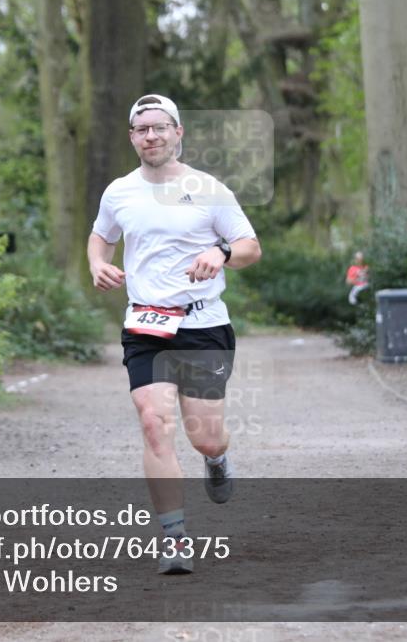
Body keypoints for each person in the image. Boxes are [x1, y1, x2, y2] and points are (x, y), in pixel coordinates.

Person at [87, 95, 262, 575]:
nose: (151, 136)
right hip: (145, 325)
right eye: (142, 129)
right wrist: (97, 263)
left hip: (203, 325)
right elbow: (102, 235)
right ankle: (175, 538)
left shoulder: (208, 189)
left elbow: (250, 246)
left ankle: (217, 458)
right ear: (132, 137)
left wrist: (222, 253)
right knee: (153, 422)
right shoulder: (119, 192)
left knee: (205, 437)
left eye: (160, 127)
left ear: (178, 132)